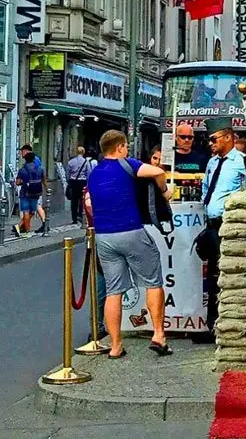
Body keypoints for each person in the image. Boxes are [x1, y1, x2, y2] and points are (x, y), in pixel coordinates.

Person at [86, 130, 172, 359]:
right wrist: (164, 192)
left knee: (114, 291)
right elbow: (158, 171)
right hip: (131, 230)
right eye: (125, 146)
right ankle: (158, 335)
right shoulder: (127, 164)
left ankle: (115, 345)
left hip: (104, 237)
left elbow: (90, 204)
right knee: (153, 282)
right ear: (120, 147)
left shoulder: (93, 174)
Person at [197, 118, 246, 344]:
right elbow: (207, 188)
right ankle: (212, 324)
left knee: (224, 276)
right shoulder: (212, 163)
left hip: (229, 226)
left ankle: (223, 325)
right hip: (211, 224)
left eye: (214, 139)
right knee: (210, 276)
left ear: (228, 137)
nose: (210, 144)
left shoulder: (243, 162)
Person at [14, 151, 44, 236]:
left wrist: (23, 182)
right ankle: (20, 227)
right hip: (35, 193)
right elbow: (43, 178)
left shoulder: (22, 170)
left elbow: (17, 182)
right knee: (32, 212)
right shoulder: (39, 168)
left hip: (25, 192)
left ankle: (26, 232)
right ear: (34, 159)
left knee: (26, 212)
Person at [20, 144, 48, 232]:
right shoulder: (35, 160)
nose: (21, 153)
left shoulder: (33, 160)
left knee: (34, 207)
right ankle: (22, 225)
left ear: (27, 151)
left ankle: (44, 223)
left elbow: (37, 173)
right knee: (33, 207)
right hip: (35, 187)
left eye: (22, 151)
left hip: (32, 188)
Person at [66, 146, 91, 225]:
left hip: (73, 181)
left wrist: (69, 181)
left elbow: (67, 173)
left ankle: (74, 218)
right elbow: (89, 173)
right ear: (83, 152)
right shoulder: (86, 162)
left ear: (76, 152)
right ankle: (81, 215)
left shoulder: (71, 162)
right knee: (82, 200)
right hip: (82, 182)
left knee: (74, 201)